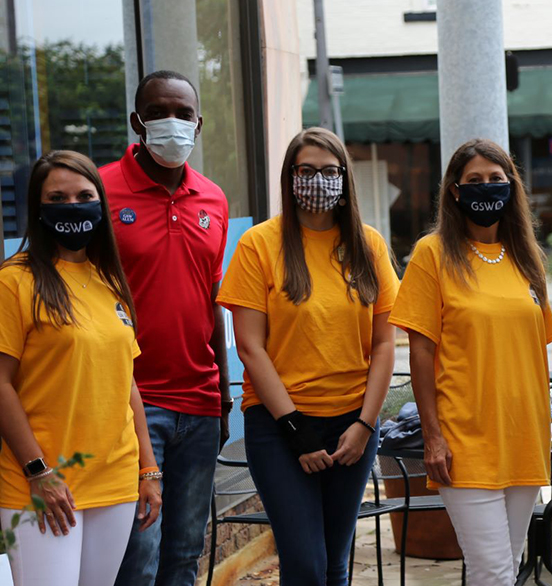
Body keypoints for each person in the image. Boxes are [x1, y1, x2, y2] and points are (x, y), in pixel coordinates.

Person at [217, 127, 399, 585]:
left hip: (352, 426)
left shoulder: (369, 245)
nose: (318, 180)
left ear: (344, 179)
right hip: (280, 427)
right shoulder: (260, 244)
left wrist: (365, 425)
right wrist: (295, 430)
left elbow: (384, 344)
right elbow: (250, 348)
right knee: (305, 564)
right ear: (290, 177)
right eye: (307, 170)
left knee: (335, 562)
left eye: (329, 171)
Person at [389, 138, 552, 585]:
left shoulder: (528, 260)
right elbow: (420, 352)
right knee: (493, 571)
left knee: (508, 565)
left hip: (524, 436)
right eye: (475, 181)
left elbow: (534, 350)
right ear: (455, 192)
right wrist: (433, 437)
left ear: (512, 186)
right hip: (464, 440)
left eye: (497, 179)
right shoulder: (433, 253)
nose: (487, 188)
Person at [0, 151, 162, 586]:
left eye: (84, 195)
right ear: (38, 208)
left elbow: (125, 381)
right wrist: (39, 471)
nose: (73, 206)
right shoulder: (14, 281)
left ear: (101, 203)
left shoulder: (110, 280)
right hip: (41, 485)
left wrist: (148, 469)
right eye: (58, 197)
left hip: (114, 478)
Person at [105, 70, 231, 586]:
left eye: (183, 114)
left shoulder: (214, 199)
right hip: (132, 403)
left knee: (184, 556)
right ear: (138, 121)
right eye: (159, 112)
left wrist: (222, 396)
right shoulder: (100, 190)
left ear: (199, 126)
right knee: (138, 560)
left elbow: (211, 303)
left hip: (199, 404)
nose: (172, 123)